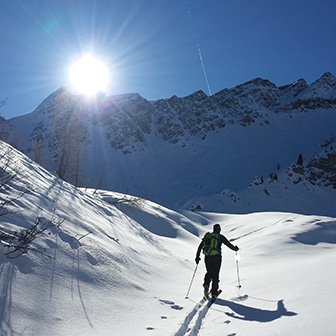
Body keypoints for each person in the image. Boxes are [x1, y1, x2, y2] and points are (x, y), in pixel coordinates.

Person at [195, 223, 238, 299]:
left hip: (207, 257)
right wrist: (235, 249)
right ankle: (214, 293)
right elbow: (229, 245)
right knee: (215, 274)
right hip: (216, 257)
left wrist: (197, 256)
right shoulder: (220, 237)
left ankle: (206, 285)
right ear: (219, 230)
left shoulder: (208, 236)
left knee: (209, 272)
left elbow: (200, 246)